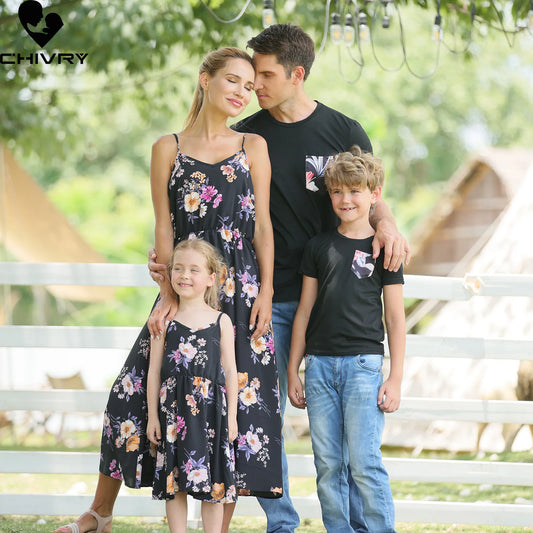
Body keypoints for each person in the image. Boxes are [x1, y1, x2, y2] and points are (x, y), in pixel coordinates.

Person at [149, 24, 410, 533]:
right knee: (261, 416)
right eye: (249, 78)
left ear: (297, 74)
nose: (255, 87)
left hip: (329, 301)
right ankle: (282, 523)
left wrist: (389, 225)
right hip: (262, 299)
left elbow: (370, 192)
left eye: (264, 76)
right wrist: (174, 264)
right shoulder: (248, 135)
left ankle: (358, 527)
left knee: (344, 438)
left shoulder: (343, 129)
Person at [54, 46, 282, 533]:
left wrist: (266, 291)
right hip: (186, 290)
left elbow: (263, 227)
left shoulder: (253, 146)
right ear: (205, 79)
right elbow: (164, 229)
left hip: (242, 292)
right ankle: (100, 512)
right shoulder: (167, 148)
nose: (243, 92)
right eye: (233, 80)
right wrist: (168, 294)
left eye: (249, 86)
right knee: (131, 391)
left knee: (236, 405)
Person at [287, 146, 405, 533]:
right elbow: (304, 311)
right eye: (337, 191)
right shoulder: (318, 247)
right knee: (328, 464)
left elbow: (395, 318)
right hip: (319, 367)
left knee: (365, 462)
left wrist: (395, 378)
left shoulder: (386, 250)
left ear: (374, 194)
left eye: (355, 191)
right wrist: (293, 370)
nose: (345, 199)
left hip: (363, 368)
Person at [146, 239, 238, 533]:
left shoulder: (221, 321)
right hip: (174, 414)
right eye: (178, 268)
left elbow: (231, 371)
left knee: (213, 485)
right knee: (175, 484)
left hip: (212, 415)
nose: (184, 275)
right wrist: (152, 417)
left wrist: (232, 418)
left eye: (194, 270)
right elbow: (153, 373)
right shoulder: (164, 320)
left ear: (211, 278)